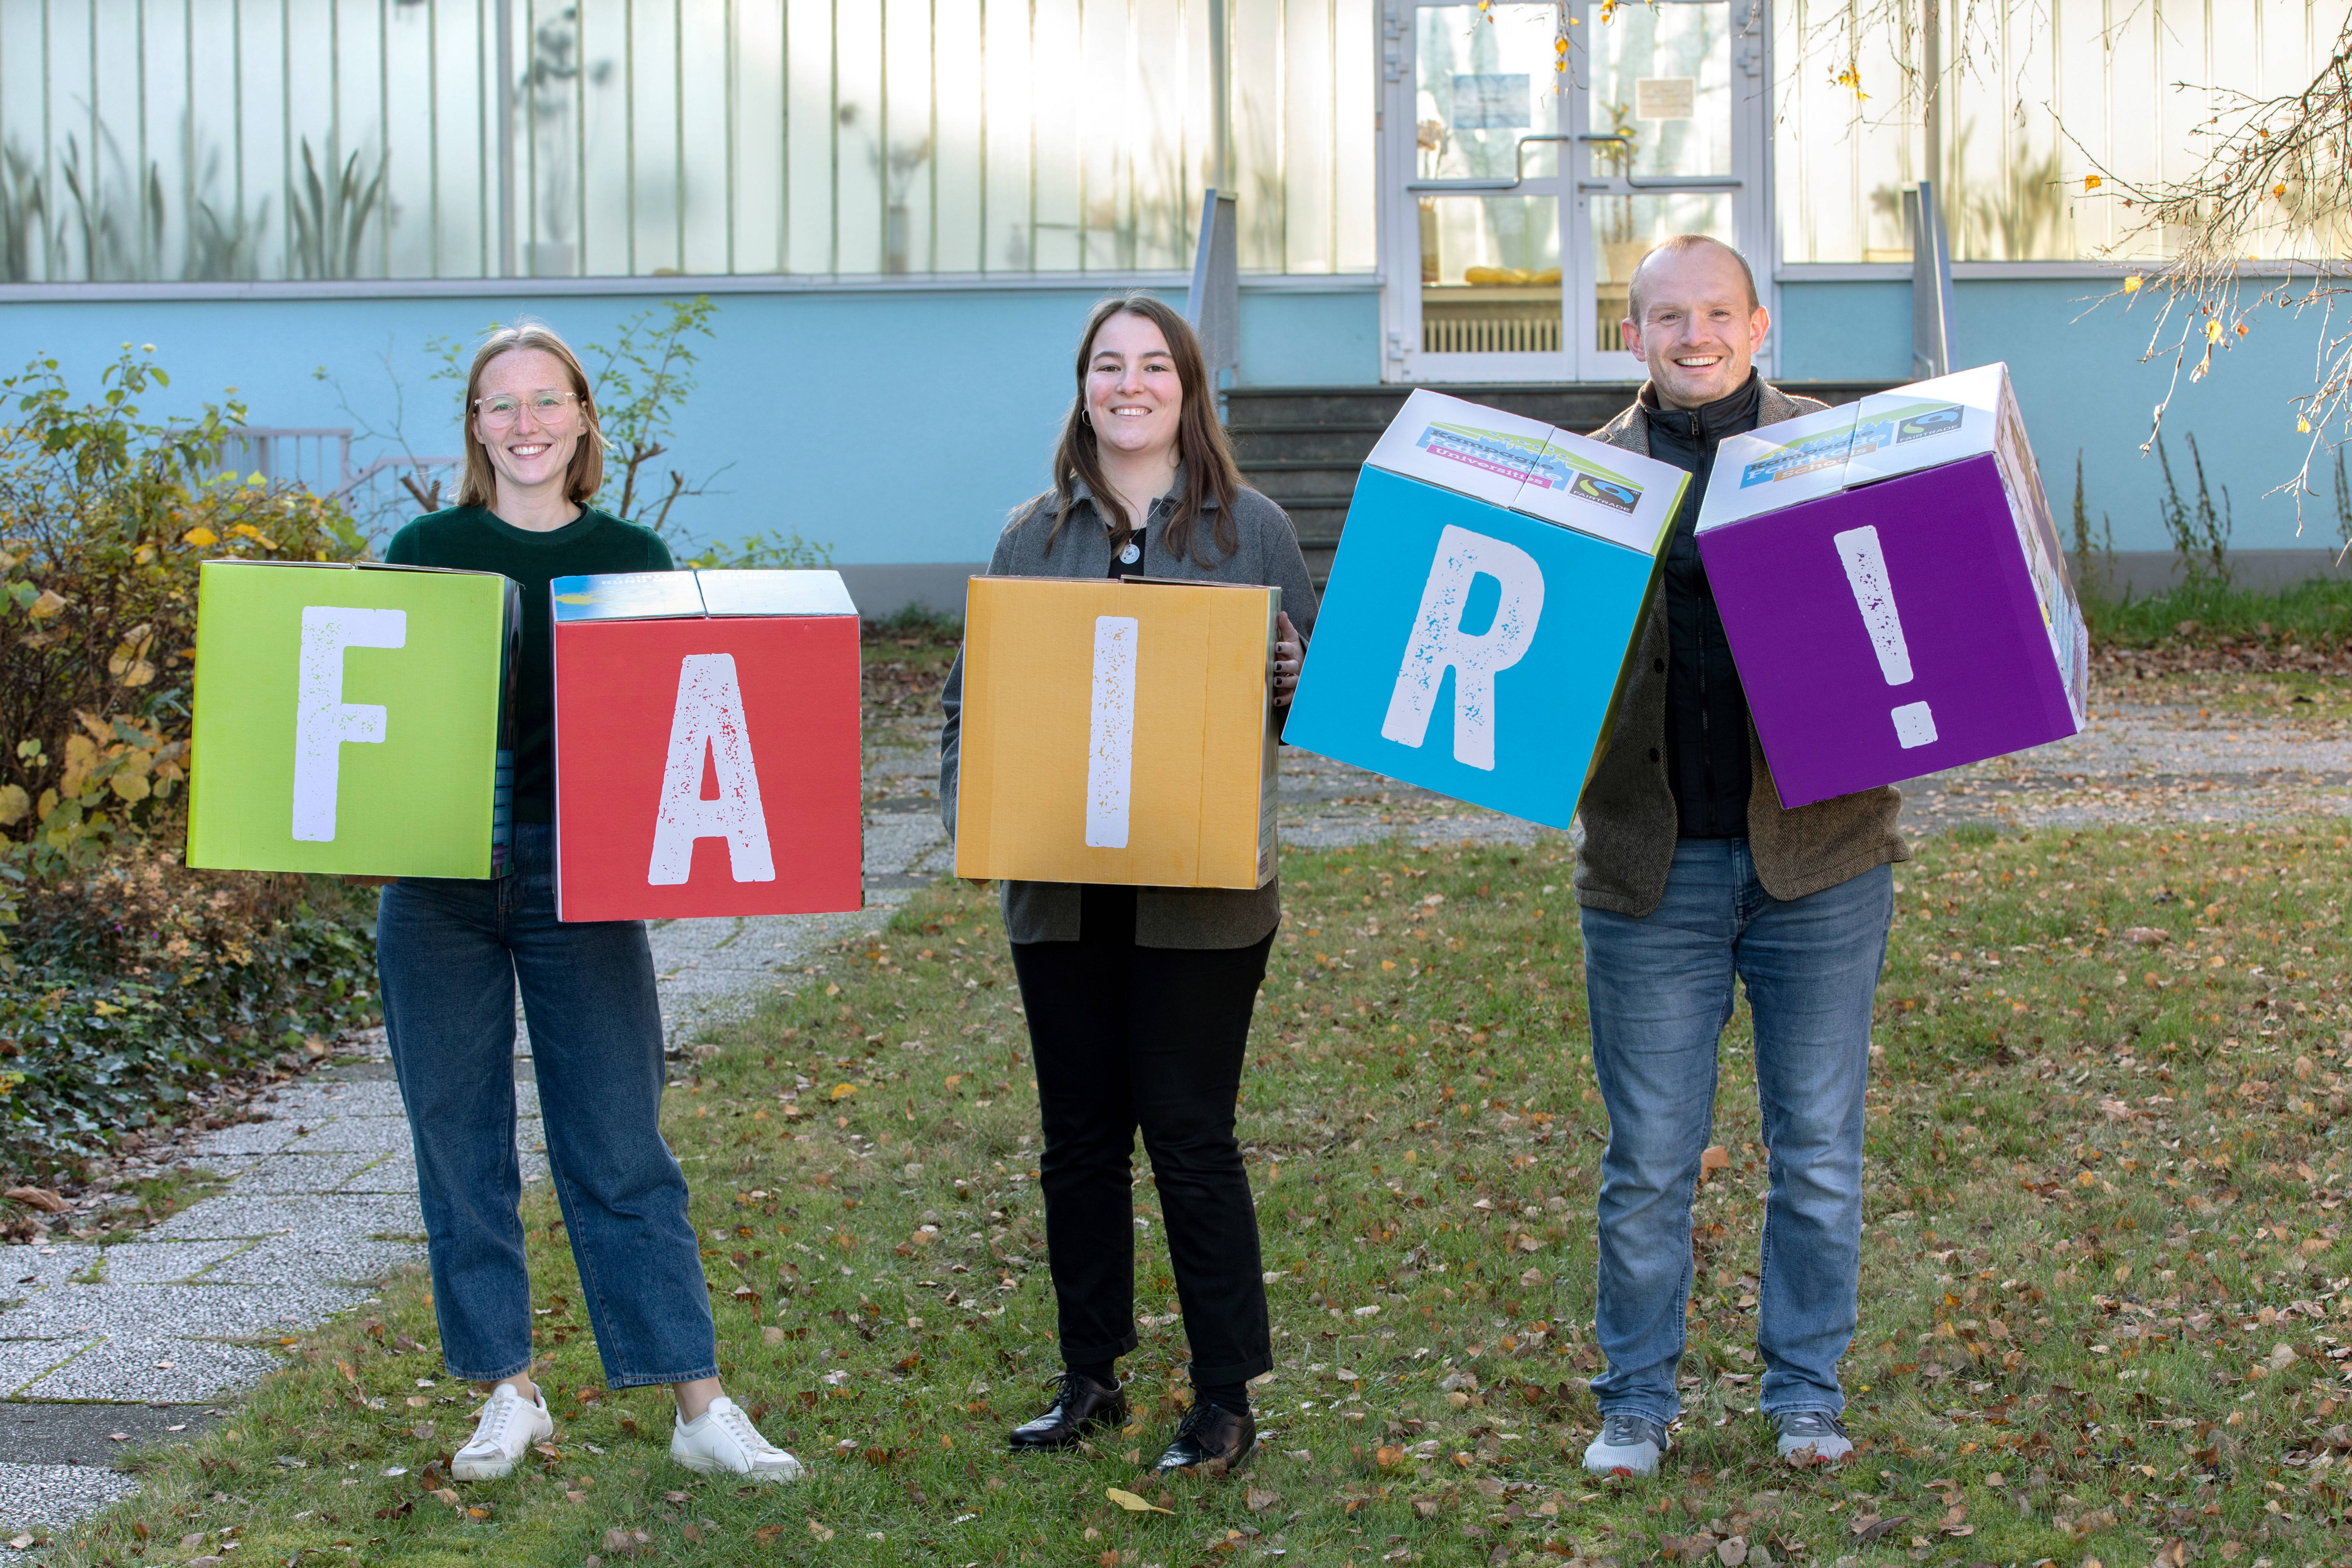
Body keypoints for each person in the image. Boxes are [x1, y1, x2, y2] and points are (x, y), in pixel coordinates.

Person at [374, 320, 802, 1484]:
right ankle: (507, 1392)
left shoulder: (631, 553)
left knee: (618, 1140)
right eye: (499, 404)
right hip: (439, 880)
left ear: (580, 419)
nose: (523, 424)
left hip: (582, 873)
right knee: (457, 1144)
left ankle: (698, 1405)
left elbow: (672, 725)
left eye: (544, 401)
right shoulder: (425, 544)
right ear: (476, 427)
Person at [938, 292, 1315, 1475]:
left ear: (1189, 389)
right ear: (1085, 386)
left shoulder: (1252, 529)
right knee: (1080, 1142)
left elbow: (1302, 706)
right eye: (1110, 366)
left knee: (1193, 1138)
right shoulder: (1029, 535)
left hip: (1203, 901)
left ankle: (1223, 1399)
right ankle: (1089, 1375)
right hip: (1058, 896)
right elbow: (971, 703)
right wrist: (976, 822)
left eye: (1156, 365)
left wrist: (1291, 676)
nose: (1132, 385)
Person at [1572, 237, 1906, 1477]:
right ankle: (1637, 1405)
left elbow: (1906, 621)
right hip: (1649, 867)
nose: (1694, 334)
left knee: (1817, 1151)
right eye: (1668, 316)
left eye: (1717, 312)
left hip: (1820, 860)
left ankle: (1805, 1394)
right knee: (1650, 1160)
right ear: (1633, 336)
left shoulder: (1838, 455)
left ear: (1759, 326)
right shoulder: (1585, 481)